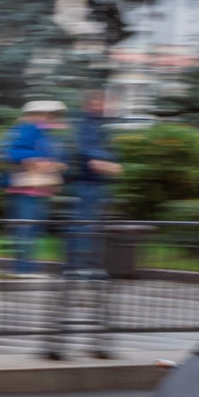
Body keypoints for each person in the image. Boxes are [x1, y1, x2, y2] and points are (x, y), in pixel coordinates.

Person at [0, 99, 70, 276]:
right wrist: (39, 159)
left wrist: (58, 164)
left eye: (51, 115)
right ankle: (22, 269)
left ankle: (28, 267)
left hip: (40, 189)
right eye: (47, 114)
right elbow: (10, 152)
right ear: (36, 115)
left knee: (33, 229)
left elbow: (56, 156)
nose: (50, 118)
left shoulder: (44, 134)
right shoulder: (25, 129)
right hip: (24, 189)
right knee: (25, 229)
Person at [64, 89, 122, 276]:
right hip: (87, 182)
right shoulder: (87, 124)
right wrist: (107, 162)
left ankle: (88, 265)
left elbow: (107, 149)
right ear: (90, 104)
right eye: (101, 103)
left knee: (93, 224)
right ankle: (78, 266)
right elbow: (86, 150)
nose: (106, 106)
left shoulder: (99, 125)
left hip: (97, 182)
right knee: (84, 223)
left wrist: (110, 161)